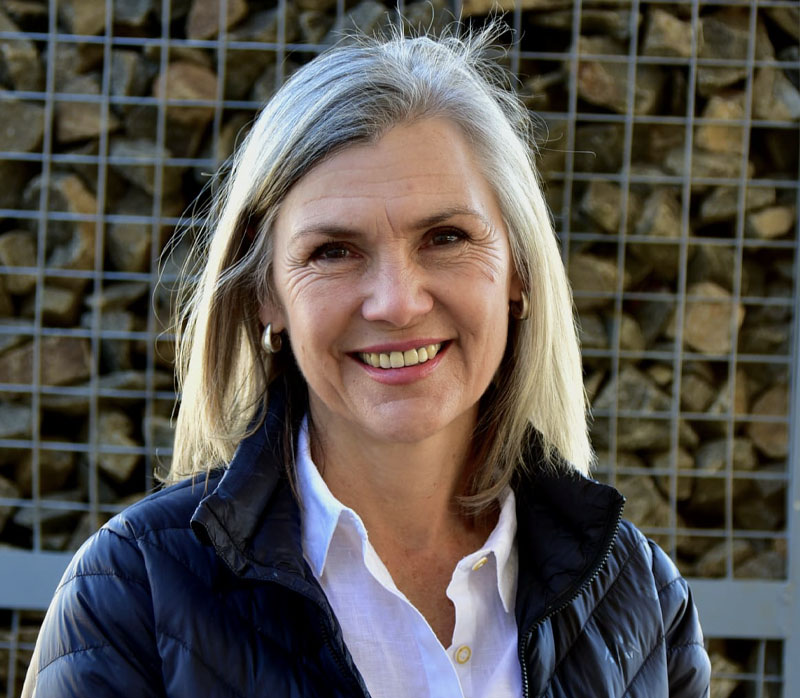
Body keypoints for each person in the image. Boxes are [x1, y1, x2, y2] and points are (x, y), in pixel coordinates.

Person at [23, 23, 711, 698]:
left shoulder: (642, 599)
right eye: (333, 251)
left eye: (446, 237)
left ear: (519, 271)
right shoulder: (130, 596)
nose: (397, 303)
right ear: (267, 293)